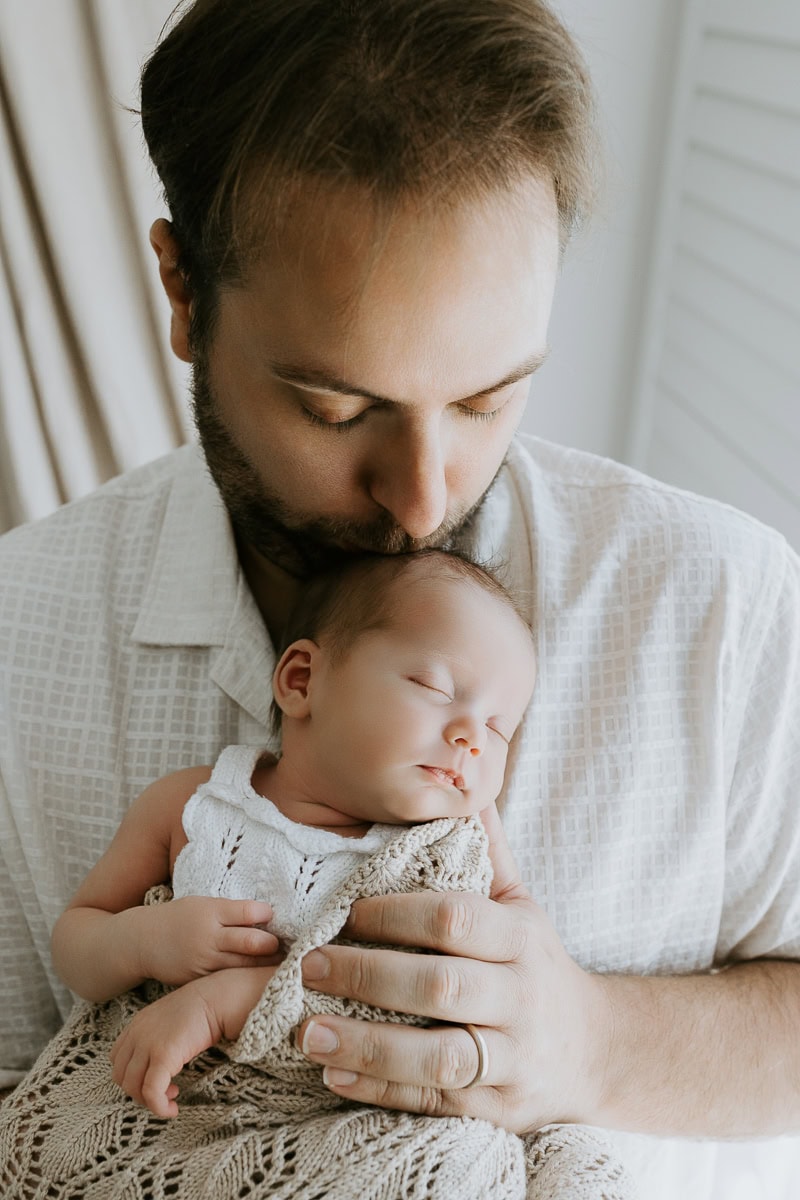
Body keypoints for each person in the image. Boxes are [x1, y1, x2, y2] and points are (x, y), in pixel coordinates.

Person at [0, 1, 799, 1197]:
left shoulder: (723, 608)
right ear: (180, 290)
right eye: (335, 408)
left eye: (488, 397)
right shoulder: (17, 636)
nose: (423, 500)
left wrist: (594, 1044)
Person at [52, 549, 538, 1119]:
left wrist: (223, 1002)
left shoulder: (451, 853)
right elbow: (75, 943)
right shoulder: (195, 808)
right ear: (302, 680)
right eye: (435, 687)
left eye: (500, 727)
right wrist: (142, 940)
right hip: (181, 1107)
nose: (472, 737)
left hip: (360, 1125)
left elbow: (435, 1011)